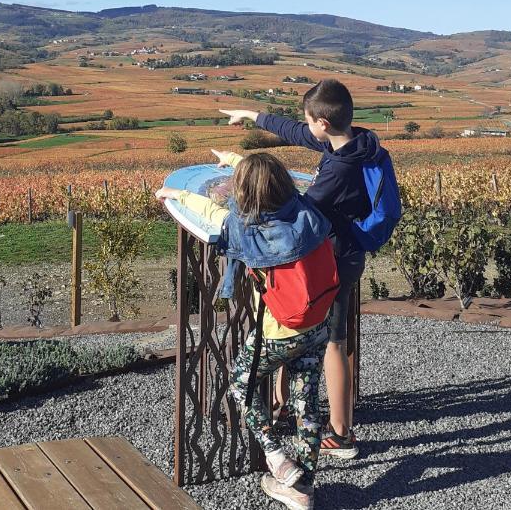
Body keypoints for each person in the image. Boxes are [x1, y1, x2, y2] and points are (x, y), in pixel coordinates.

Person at [222, 78, 391, 459]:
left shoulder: (339, 168)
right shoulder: (356, 143)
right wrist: (251, 115)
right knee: (314, 333)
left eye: (310, 121)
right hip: (343, 255)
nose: (306, 128)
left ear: (324, 124)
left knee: (331, 340)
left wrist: (245, 178)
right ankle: (288, 406)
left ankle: (341, 432)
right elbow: (295, 131)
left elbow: (299, 210)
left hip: (331, 262)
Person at [157, 150, 335, 510]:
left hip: (279, 329)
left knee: (241, 384)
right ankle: (304, 489)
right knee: (307, 401)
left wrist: (173, 195)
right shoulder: (306, 213)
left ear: (246, 195)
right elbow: (266, 180)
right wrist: (239, 160)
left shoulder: (247, 230)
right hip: (319, 320)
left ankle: (276, 458)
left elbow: (213, 214)